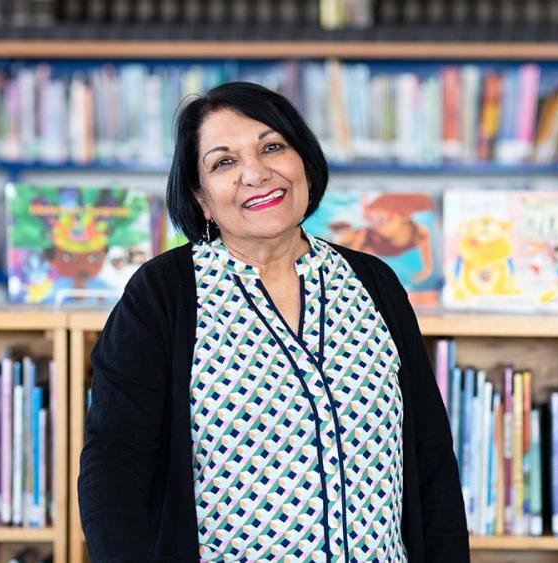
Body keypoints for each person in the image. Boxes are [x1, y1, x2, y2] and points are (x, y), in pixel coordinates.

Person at [78, 82, 468, 562]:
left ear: (302, 161)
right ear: (201, 198)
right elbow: (114, 466)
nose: (256, 173)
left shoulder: (375, 283)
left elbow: (431, 462)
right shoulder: (163, 295)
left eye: (272, 147)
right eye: (224, 162)